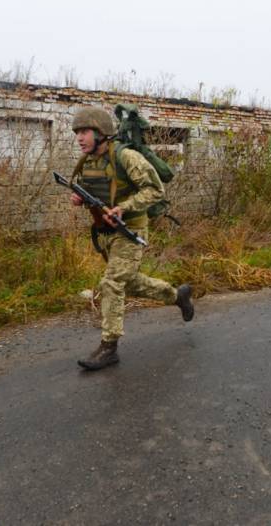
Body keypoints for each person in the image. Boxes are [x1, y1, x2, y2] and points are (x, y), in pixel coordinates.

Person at [68, 106, 194, 370]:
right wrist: (80, 198)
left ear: (101, 133)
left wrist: (125, 207)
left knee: (112, 283)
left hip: (131, 230)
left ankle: (108, 347)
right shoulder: (89, 161)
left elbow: (155, 189)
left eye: (85, 132)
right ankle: (177, 296)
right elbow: (99, 191)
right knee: (132, 282)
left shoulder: (127, 157)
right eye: (77, 132)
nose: (79, 137)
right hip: (106, 234)